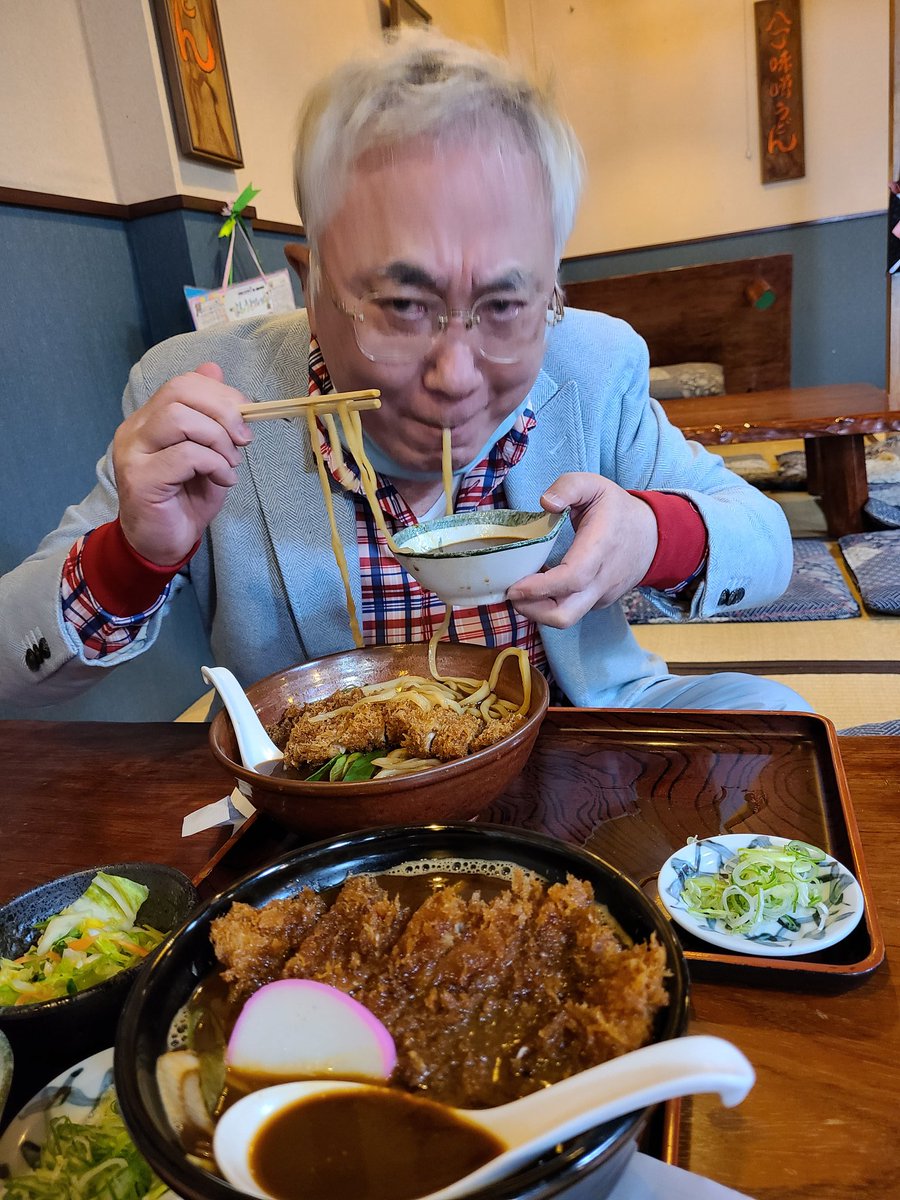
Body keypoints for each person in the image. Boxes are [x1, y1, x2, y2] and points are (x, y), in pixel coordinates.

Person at [0, 29, 810, 714]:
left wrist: (649, 535)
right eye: (400, 304)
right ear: (312, 282)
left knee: (776, 718)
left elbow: (768, 543)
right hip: (332, 800)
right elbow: (15, 665)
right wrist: (133, 556)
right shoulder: (208, 396)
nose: (457, 375)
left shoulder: (593, 365)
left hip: (577, 736)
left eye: (503, 306)